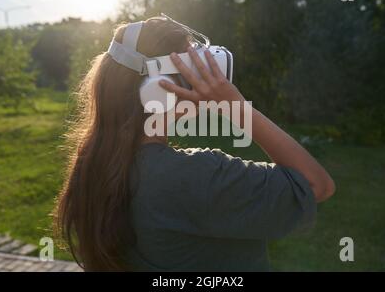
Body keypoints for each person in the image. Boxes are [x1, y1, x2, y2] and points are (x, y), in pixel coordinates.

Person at [55, 16, 335, 272]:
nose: (202, 77)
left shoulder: (92, 165)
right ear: (158, 86)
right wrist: (234, 106)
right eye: (192, 67)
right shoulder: (194, 176)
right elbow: (315, 185)